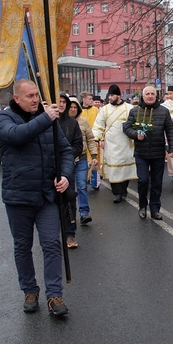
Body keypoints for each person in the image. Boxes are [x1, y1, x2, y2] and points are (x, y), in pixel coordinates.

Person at [0, 79, 74, 315]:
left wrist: (66, 175)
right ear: (16, 98)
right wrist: (45, 118)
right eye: (29, 96)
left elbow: (66, 151)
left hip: (47, 195)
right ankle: (29, 289)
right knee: (22, 246)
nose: (35, 100)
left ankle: (55, 296)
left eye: (36, 95)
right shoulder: (4, 119)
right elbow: (17, 136)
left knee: (51, 244)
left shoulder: (47, 119)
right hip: (18, 196)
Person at [124, 85, 173, 220]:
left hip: (158, 152)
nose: (150, 96)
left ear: (156, 95)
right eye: (147, 94)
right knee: (143, 180)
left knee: (157, 182)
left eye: (152, 94)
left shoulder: (164, 112)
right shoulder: (135, 111)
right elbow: (127, 128)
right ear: (143, 96)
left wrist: (172, 148)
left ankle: (155, 208)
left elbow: (170, 130)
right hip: (141, 153)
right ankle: (142, 206)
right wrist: (136, 134)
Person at [92, 85, 137, 204]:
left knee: (125, 169)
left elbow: (135, 123)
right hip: (111, 144)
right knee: (114, 170)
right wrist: (96, 137)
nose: (110, 98)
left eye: (112, 95)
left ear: (119, 95)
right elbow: (98, 125)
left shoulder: (129, 108)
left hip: (126, 142)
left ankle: (123, 189)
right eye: (109, 96)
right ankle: (116, 193)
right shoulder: (104, 109)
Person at [57, 94, 84, 249]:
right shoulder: (46, 120)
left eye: (63, 102)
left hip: (67, 166)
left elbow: (77, 145)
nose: (61, 104)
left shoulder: (72, 123)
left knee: (69, 198)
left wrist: (67, 156)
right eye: (58, 102)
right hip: (48, 166)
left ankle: (70, 233)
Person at [69, 97, 98, 225]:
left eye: (75, 107)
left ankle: (84, 213)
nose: (73, 109)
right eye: (71, 107)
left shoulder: (83, 122)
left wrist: (94, 156)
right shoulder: (60, 121)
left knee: (81, 186)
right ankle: (69, 213)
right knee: (68, 188)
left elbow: (90, 139)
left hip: (81, 158)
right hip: (66, 159)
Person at [79, 91, 100, 190]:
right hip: (82, 139)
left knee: (94, 161)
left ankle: (95, 181)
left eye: (92, 99)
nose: (92, 101)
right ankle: (85, 178)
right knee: (84, 161)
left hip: (93, 138)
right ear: (84, 100)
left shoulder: (96, 110)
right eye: (89, 99)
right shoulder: (79, 111)